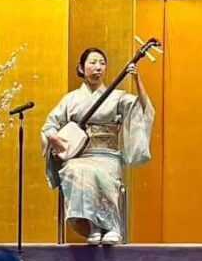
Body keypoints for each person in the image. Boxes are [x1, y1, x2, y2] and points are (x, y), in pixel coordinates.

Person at [41, 47, 154, 245]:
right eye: (92, 62)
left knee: (97, 172)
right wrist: (54, 138)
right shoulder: (70, 99)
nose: (98, 67)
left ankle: (111, 227)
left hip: (107, 155)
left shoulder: (117, 97)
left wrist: (137, 80)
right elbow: (49, 126)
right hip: (80, 156)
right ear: (81, 68)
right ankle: (93, 226)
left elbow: (144, 110)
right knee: (75, 169)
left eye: (102, 63)